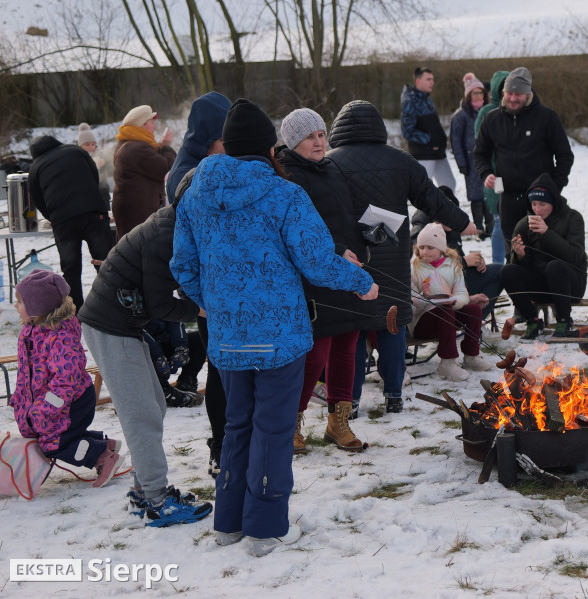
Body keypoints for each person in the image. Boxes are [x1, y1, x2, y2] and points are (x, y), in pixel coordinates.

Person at [172, 98, 377, 556]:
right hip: (279, 337)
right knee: (273, 429)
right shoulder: (285, 195)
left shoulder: (196, 194)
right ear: (270, 148)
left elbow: (182, 265)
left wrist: (214, 304)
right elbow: (317, 260)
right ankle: (265, 528)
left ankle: (229, 522)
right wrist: (362, 282)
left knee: (237, 425)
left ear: (227, 146)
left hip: (228, 337)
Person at [78, 182, 212, 527]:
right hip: (110, 326)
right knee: (142, 416)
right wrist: (201, 309)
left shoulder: (177, 226)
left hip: (123, 324)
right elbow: (160, 304)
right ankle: (156, 499)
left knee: (152, 405)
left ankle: (142, 492)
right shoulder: (165, 236)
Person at [328, 100, 472, 413]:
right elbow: (433, 199)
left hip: (350, 263)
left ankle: (349, 401)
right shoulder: (401, 160)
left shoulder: (329, 162)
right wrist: (463, 222)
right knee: (391, 326)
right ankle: (394, 395)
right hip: (393, 262)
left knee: (353, 333)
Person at [275, 108, 373, 454]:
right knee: (316, 354)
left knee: (348, 346)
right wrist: (336, 249)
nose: (318, 142)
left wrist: (366, 236)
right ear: (293, 142)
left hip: (346, 271)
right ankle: (291, 422)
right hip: (314, 277)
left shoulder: (332, 168)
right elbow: (298, 232)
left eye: (321, 135)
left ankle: (338, 423)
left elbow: (345, 216)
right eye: (309, 137)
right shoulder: (287, 176)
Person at [163, 91, 231, 477]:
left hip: (227, 286)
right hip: (209, 290)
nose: (229, 145)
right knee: (220, 370)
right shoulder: (187, 174)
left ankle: (236, 443)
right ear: (207, 137)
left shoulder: (215, 162)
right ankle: (220, 447)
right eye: (223, 138)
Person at [12, 270, 122, 488]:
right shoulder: (32, 331)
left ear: (38, 307)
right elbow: (28, 373)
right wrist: (21, 399)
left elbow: (66, 380)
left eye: (20, 302)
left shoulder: (59, 337)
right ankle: (104, 444)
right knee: (60, 433)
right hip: (52, 400)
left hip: (71, 400)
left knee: (54, 443)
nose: (15, 306)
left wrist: (45, 408)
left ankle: (102, 457)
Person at [474, 66, 574, 258]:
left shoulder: (546, 117)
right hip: (508, 197)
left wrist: (554, 187)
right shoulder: (492, 119)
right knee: (513, 252)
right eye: (509, 93)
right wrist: (486, 173)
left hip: (540, 197)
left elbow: (565, 155)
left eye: (518, 94)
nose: (513, 98)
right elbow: (480, 153)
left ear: (527, 94)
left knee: (543, 251)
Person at [28, 135, 114, 310]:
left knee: (71, 269)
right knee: (105, 262)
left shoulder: (36, 167)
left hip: (63, 221)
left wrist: (53, 217)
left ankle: (75, 312)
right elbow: (94, 174)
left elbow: (37, 198)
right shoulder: (75, 150)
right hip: (93, 213)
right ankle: (112, 306)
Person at [500, 173, 587, 339]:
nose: (537, 209)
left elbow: (575, 257)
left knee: (554, 266)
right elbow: (519, 268)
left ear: (553, 202)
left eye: (542, 204)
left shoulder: (573, 218)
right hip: (541, 286)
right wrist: (520, 255)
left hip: (571, 286)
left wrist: (547, 233)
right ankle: (532, 320)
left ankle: (564, 320)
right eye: (534, 204)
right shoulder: (524, 224)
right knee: (507, 271)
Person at [410, 185, 503, 319]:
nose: (454, 220)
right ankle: (466, 320)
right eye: (451, 215)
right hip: (435, 292)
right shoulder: (421, 229)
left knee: (499, 271)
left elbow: (455, 256)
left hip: (456, 281)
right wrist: (464, 262)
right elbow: (425, 265)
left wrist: (475, 262)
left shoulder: (450, 227)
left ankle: (475, 318)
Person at [409, 224, 487, 381]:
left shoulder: (453, 265)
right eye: (421, 247)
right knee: (444, 310)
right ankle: (447, 363)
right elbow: (411, 303)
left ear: (441, 249)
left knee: (473, 310)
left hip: (448, 315)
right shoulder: (414, 268)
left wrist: (454, 301)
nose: (424, 251)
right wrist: (425, 296)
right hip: (422, 323)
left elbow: (462, 292)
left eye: (430, 247)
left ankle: (471, 356)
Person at [112, 104, 176, 240]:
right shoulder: (137, 149)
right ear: (142, 124)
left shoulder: (131, 145)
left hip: (133, 211)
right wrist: (166, 148)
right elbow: (164, 166)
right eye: (152, 122)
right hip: (137, 213)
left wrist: (161, 147)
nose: (155, 127)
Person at [474, 70, 510, 264]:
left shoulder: (517, 110)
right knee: (499, 219)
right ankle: (497, 265)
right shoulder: (487, 112)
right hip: (495, 174)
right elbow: (480, 144)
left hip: (516, 174)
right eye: (503, 88)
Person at [401, 66, 457, 190]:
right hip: (424, 154)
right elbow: (407, 131)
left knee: (449, 185)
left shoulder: (427, 99)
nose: (432, 82)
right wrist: (429, 140)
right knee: (423, 190)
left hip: (437, 152)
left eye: (432, 79)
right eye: (428, 79)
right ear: (418, 81)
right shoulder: (410, 101)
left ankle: (443, 204)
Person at [451, 73, 489, 233]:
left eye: (481, 92)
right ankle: (479, 228)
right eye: (475, 93)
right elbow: (455, 141)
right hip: (470, 161)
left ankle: (491, 226)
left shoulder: (488, 111)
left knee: (490, 193)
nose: (479, 96)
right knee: (476, 196)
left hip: (488, 159)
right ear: (468, 95)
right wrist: (462, 163)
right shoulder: (461, 115)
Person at [77, 122, 111, 204]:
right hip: (85, 196)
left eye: (93, 144)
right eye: (87, 145)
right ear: (80, 146)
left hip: (103, 195)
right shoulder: (77, 157)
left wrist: (104, 164)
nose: (91, 147)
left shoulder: (101, 155)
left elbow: (111, 171)